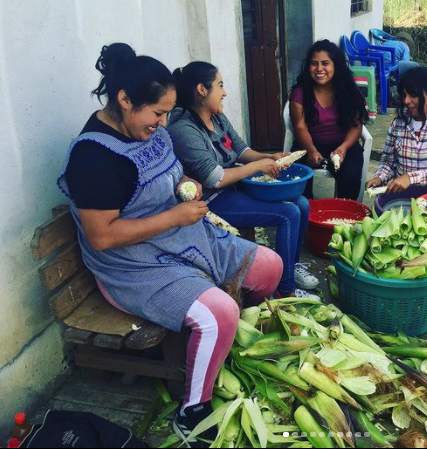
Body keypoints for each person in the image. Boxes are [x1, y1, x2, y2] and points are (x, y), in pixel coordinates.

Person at [58, 43, 284, 445]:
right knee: (218, 313)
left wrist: (185, 185)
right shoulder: (92, 157)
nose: (163, 124)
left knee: (270, 267)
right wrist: (174, 216)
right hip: (132, 265)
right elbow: (102, 235)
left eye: (167, 113)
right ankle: (192, 410)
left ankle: (229, 347)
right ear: (125, 101)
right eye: (158, 113)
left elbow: (174, 173)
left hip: (183, 236)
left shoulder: (146, 128)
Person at [167, 61, 320, 297]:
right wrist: (259, 166)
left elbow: (240, 151)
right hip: (211, 201)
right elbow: (214, 178)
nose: (225, 92)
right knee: (287, 214)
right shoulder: (184, 129)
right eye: (220, 85)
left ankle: (291, 266)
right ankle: (285, 291)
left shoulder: (217, 117)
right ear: (201, 90)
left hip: (234, 189)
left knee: (301, 203)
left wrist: (270, 157)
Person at [365, 66, 427, 194]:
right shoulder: (398, 123)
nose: (407, 101)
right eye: (404, 95)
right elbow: (388, 161)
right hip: (403, 195)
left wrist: (410, 178)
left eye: (413, 95)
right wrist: (380, 177)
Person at [289, 39, 369, 200]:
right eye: (314, 64)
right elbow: (300, 127)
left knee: (350, 177)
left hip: (343, 144)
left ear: (335, 66)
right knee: (297, 178)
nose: (319, 69)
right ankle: (306, 214)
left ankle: (343, 216)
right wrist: (311, 151)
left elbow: (356, 126)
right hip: (308, 144)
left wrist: (344, 148)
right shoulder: (300, 93)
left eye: (325, 63)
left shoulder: (349, 91)